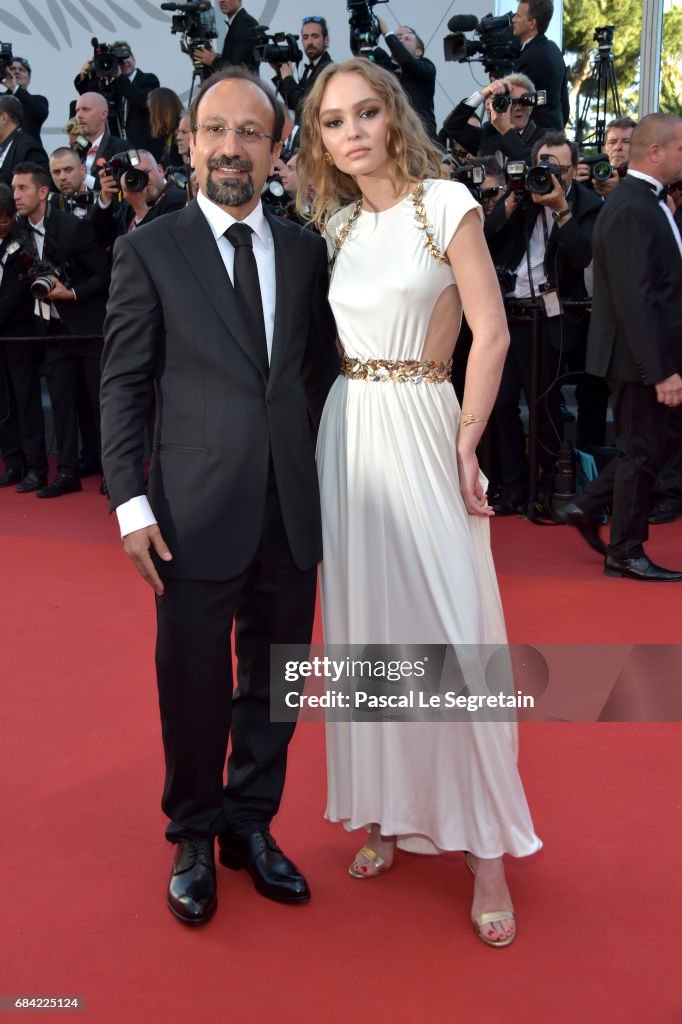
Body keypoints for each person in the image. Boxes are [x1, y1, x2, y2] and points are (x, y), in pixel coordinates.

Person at [297, 58, 541, 948]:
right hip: (350, 432)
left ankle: (486, 850)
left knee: (453, 630)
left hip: (426, 425)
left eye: (366, 112)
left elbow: (494, 325)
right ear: (319, 139)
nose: (352, 131)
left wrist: (469, 437)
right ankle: (384, 811)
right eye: (332, 121)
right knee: (370, 632)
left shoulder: (448, 204)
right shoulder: (339, 224)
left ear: (393, 116)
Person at [100, 67, 338, 926]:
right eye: (214, 130)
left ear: (278, 150)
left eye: (250, 132)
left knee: (277, 679)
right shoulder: (148, 250)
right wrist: (130, 503)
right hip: (191, 512)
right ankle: (194, 831)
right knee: (195, 681)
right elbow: (123, 384)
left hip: (291, 507)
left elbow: (320, 380)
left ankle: (250, 824)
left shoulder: (310, 251)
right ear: (190, 142)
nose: (230, 147)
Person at [557, 113, 682, 581]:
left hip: (641, 355)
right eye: (681, 149)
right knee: (641, 452)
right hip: (636, 358)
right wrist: (661, 371)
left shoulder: (644, 202)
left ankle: (586, 506)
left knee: (646, 448)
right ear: (656, 152)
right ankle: (625, 551)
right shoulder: (633, 207)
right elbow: (635, 298)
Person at [442, 74, 543, 165]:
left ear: (531, 108)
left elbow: (533, 163)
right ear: (502, 105)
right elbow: (452, 126)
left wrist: (505, 131)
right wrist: (484, 93)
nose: (518, 108)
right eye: (512, 103)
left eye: (524, 102)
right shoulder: (489, 133)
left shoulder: (544, 137)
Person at [512, 0, 569, 132]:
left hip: (534, 139)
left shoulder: (528, 58)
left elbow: (519, 103)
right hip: (557, 132)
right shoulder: (554, 49)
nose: (513, 20)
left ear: (532, 23)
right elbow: (561, 101)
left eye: (518, 16)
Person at [375, 18, 436, 138]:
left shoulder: (426, 66)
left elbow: (408, 63)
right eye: (397, 38)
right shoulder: (386, 66)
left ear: (418, 52)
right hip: (392, 138)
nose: (400, 40)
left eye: (407, 38)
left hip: (420, 140)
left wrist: (387, 33)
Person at [272, 17, 333, 121]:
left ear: (326, 40)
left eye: (315, 36)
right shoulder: (308, 69)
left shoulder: (328, 70)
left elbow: (306, 107)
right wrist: (279, 72)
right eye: (305, 37)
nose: (309, 42)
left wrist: (288, 79)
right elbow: (293, 104)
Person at [193, 0, 259, 75]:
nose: (221, 1)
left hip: (243, 85)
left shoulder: (245, 23)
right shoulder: (239, 21)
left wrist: (213, 60)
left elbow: (238, 69)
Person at [1, 57, 48, 141]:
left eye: (21, 69)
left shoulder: (39, 100)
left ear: (29, 79)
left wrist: (15, 88)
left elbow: (40, 113)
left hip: (28, 151)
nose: (16, 72)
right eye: (12, 69)